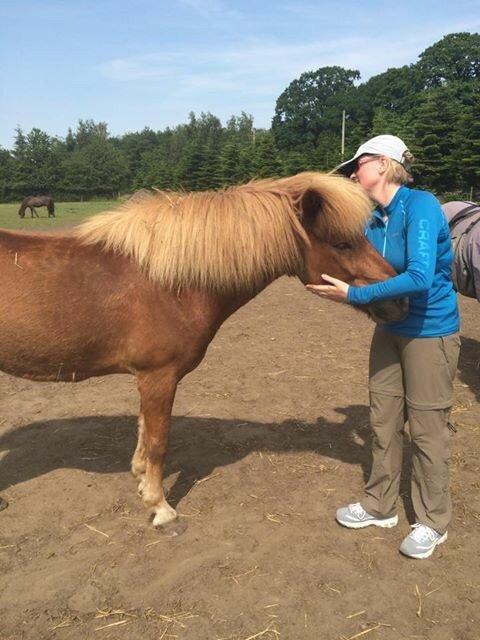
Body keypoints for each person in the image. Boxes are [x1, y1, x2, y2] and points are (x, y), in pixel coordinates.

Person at [307, 135, 460, 559]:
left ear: (383, 164)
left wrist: (353, 297)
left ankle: (433, 521)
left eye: (359, 165)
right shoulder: (373, 219)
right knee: (382, 421)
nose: (354, 174)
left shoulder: (421, 206)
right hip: (389, 330)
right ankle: (380, 505)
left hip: (431, 332)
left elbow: (421, 276)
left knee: (428, 430)